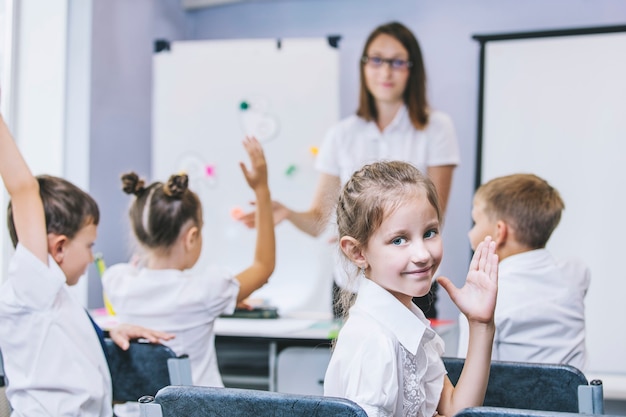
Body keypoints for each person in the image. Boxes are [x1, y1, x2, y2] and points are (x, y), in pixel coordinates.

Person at [237, 21, 460, 318]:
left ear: (412, 69)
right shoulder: (341, 135)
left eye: (397, 62)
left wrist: (367, 230)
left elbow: (433, 217)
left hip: (412, 278)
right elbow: (319, 221)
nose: (385, 71)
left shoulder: (436, 128)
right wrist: (288, 213)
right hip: (353, 284)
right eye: (376, 60)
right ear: (364, 66)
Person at [0, 113, 174, 417]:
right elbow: (24, 188)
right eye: (89, 245)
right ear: (59, 247)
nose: (93, 256)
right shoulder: (32, 286)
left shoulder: (54, 297)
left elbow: (64, 338)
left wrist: (107, 333)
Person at [324, 160, 498, 417]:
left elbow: (454, 410)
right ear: (357, 252)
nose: (422, 254)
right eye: (399, 240)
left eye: (429, 233)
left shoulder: (408, 323)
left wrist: (481, 324)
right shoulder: (375, 342)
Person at [102, 136, 275, 387]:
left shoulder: (118, 283)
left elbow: (141, 280)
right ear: (192, 237)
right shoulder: (206, 291)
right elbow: (263, 267)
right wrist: (262, 190)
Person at [457, 173, 590, 370]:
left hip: (508, 401)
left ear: (499, 232)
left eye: (475, 222)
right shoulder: (575, 273)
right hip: (576, 400)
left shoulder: (482, 302)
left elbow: (469, 379)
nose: (470, 233)